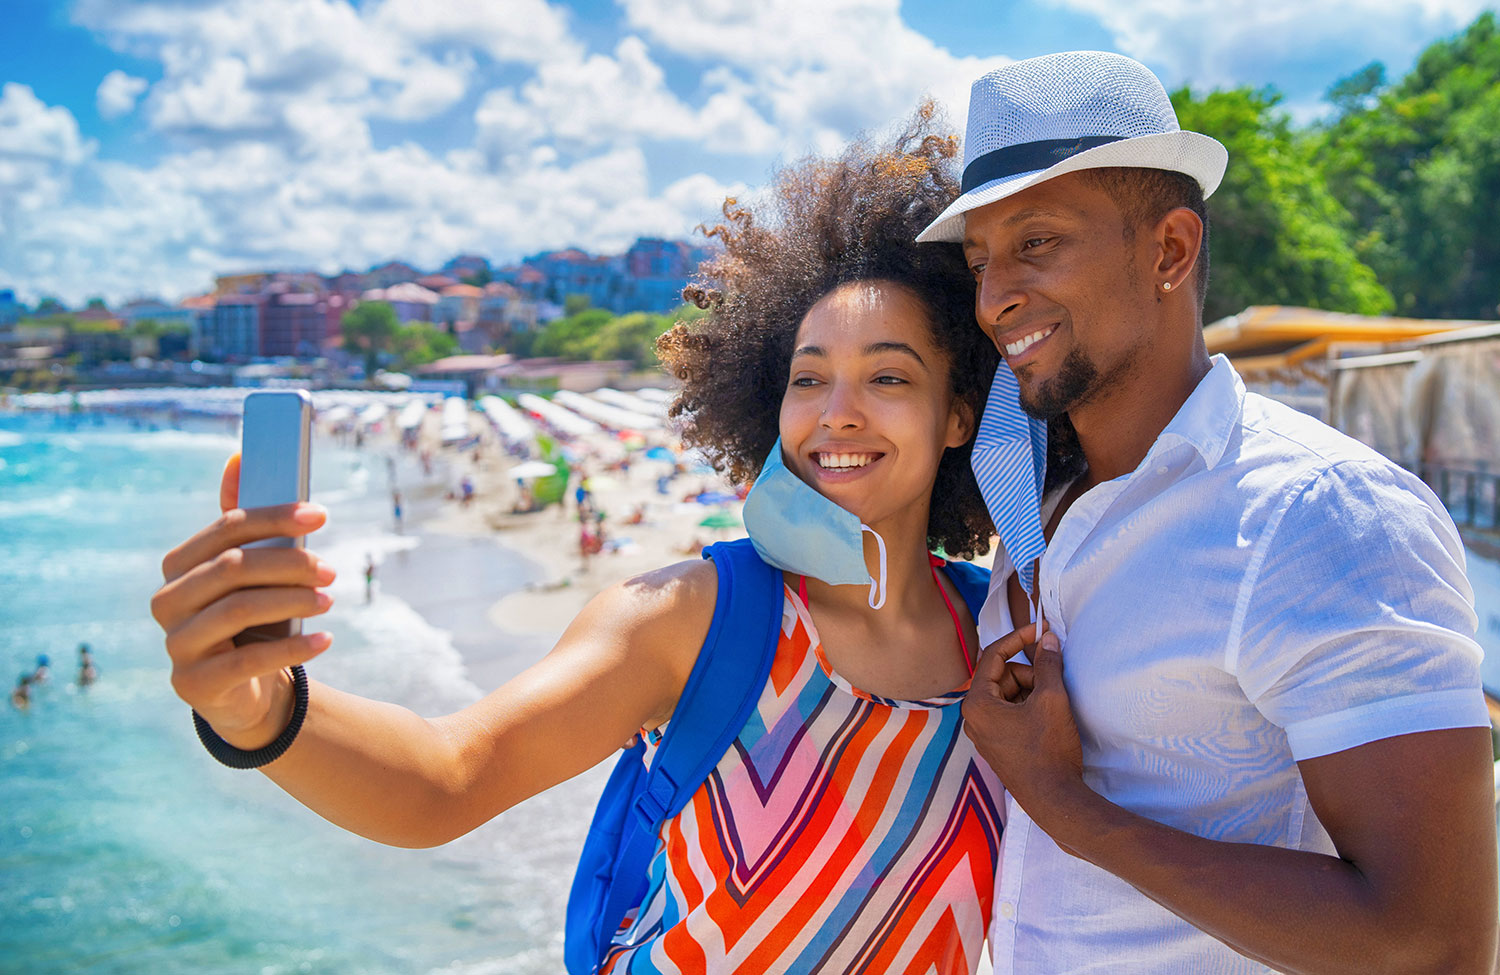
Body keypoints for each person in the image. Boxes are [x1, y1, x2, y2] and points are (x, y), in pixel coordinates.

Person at [149, 111, 1014, 973]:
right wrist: (261, 710)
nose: (837, 413)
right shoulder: (698, 619)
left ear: (960, 411)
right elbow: (446, 778)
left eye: (889, 376)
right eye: (809, 377)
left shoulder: (1000, 633)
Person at [924, 52, 1497, 973]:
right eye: (981, 261)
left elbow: (1434, 942)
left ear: (1170, 250)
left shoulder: (1323, 515)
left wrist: (1066, 806)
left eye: (1036, 243)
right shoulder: (1036, 504)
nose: (994, 299)